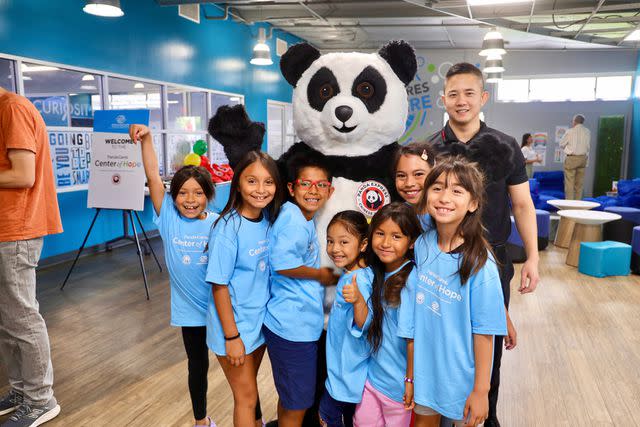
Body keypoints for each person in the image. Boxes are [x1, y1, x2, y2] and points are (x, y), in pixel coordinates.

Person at [428, 62, 537, 427]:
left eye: (469, 93)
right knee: (444, 343)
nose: (461, 101)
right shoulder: (430, 150)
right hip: (442, 262)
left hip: (493, 263)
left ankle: (484, 417)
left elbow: (522, 204)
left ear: (483, 97)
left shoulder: (504, 146)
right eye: (454, 94)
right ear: (443, 99)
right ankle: (443, 412)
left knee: (488, 344)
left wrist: (533, 259)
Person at [400, 157, 509, 427]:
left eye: (457, 191)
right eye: (437, 188)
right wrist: (411, 378)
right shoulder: (423, 244)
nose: (444, 197)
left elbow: (485, 333)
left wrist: (482, 391)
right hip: (426, 374)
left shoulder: (480, 264)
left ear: (473, 204)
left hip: (462, 380)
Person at [129, 124, 218, 427]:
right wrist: (149, 139)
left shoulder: (219, 224)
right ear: (173, 196)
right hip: (190, 312)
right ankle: (201, 420)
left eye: (198, 193)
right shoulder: (167, 217)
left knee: (238, 364)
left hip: (223, 309)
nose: (190, 200)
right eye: (182, 193)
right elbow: (153, 176)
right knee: (198, 364)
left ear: (208, 195)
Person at [206, 151, 284, 427]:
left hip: (258, 325)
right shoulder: (228, 228)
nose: (261, 190)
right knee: (247, 397)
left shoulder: (268, 222)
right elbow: (219, 285)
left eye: (268, 182)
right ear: (237, 183)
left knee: (252, 396)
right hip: (235, 329)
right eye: (252, 181)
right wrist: (232, 337)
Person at [0, 86, 62, 427]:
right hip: (5, 229)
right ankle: (22, 390)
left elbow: (24, 174)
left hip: (16, 229)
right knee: (7, 319)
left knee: (22, 317)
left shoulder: (12, 108)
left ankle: (41, 399)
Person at [264, 157, 339, 427]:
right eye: (305, 184)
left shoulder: (299, 216)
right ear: (292, 188)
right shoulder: (294, 219)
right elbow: (283, 264)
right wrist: (321, 275)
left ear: (330, 192)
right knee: (298, 404)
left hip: (295, 324)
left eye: (321, 185)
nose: (313, 190)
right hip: (291, 328)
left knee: (290, 399)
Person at [352, 203, 422, 427]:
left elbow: (412, 338)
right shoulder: (375, 272)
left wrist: (409, 381)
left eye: (396, 236)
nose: (385, 243)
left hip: (398, 387)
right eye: (380, 234)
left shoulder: (411, 279)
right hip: (373, 379)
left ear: (411, 242)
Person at [320, 211, 372, 427]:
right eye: (330, 241)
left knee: (326, 415)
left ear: (363, 244)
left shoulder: (359, 280)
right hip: (344, 371)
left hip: (348, 373)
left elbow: (364, 323)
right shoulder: (354, 273)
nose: (335, 248)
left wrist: (359, 301)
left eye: (343, 242)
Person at [394, 143, 436, 229]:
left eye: (418, 174)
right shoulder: (396, 216)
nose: (409, 183)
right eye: (401, 175)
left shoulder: (447, 214)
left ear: (435, 173)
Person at [559, 114, 590, 200]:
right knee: (579, 184)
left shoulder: (570, 131)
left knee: (569, 183)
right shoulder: (587, 132)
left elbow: (561, 144)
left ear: (575, 121)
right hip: (583, 158)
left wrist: (567, 148)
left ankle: (569, 205)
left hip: (572, 158)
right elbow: (588, 147)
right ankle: (577, 205)